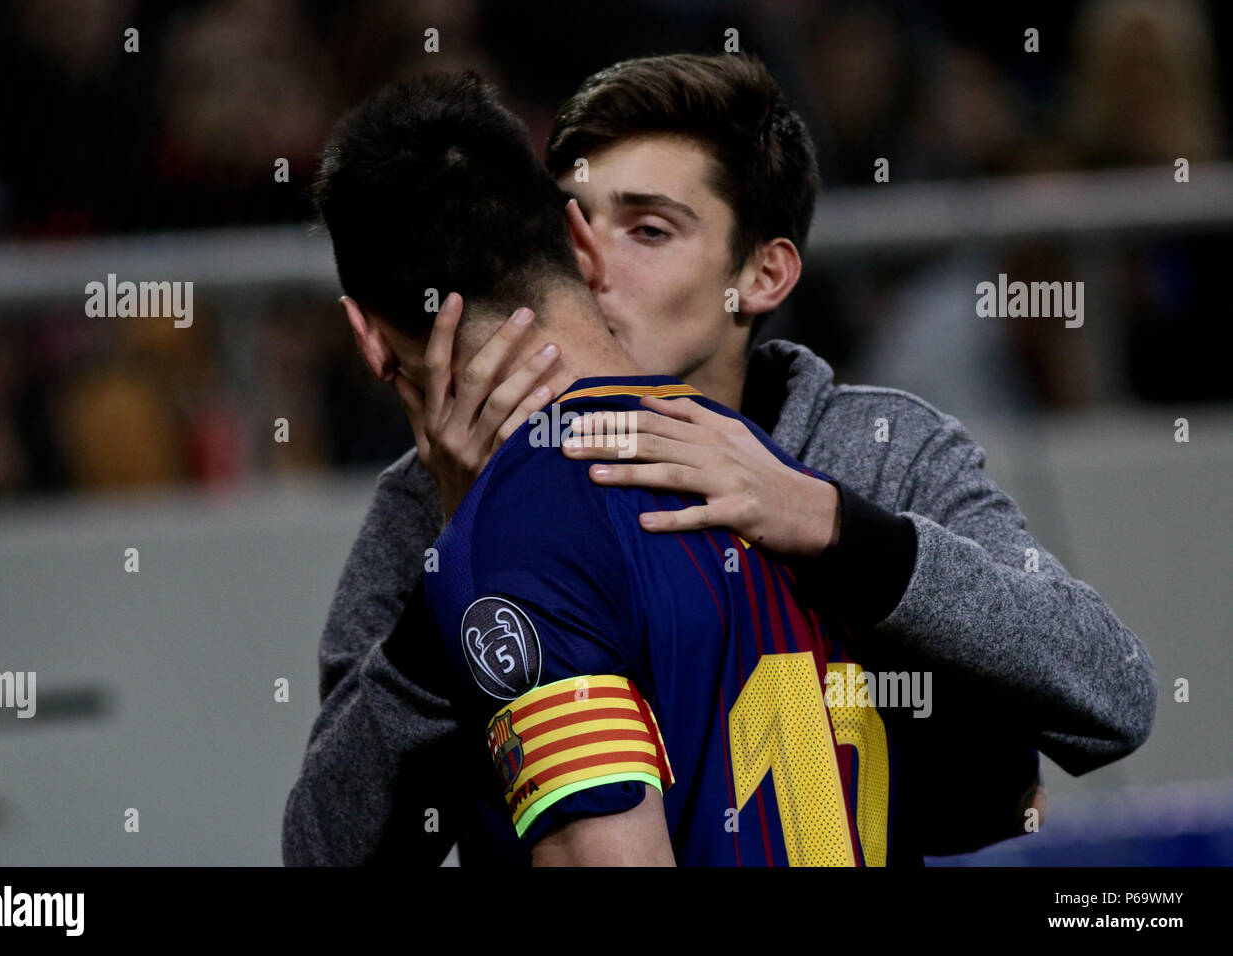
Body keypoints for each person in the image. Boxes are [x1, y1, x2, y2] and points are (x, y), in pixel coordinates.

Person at [283, 54, 1156, 866]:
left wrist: (829, 523)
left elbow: (1110, 695)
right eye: (582, 222)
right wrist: (461, 551)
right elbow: (328, 848)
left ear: (764, 275)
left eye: (651, 229)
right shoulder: (431, 498)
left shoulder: (877, 454)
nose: (598, 269)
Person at [312, 70, 919, 866]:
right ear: (579, 242)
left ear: (365, 335)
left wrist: (475, 547)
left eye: (656, 229)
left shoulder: (519, 524)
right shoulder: (772, 475)